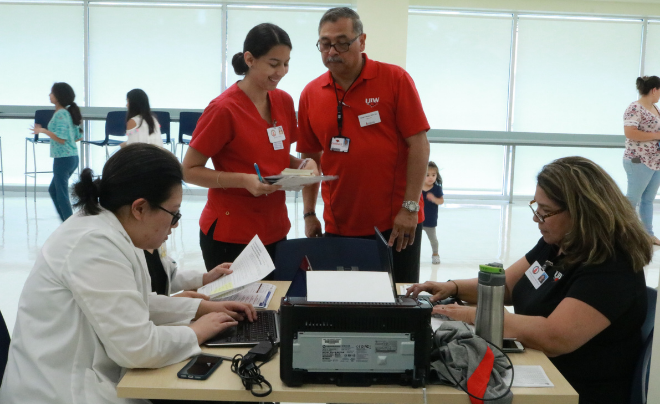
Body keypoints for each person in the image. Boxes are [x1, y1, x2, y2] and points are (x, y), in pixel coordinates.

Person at [0, 144, 256, 404]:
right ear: (140, 208)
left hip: (90, 375)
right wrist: (196, 332)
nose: (174, 225)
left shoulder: (114, 231)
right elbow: (137, 347)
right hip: (60, 390)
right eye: (173, 213)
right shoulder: (93, 243)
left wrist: (200, 309)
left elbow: (135, 302)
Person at [407, 156, 650, 404]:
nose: (537, 219)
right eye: (537, 208)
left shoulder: (611, 265)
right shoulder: (556, 244)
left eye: (545, 212)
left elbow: (555, 337)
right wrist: (452, 287)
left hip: (574, 390)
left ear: (581, 211)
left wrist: (473, 316)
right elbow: (507, 286)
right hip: (541, 368)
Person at [296, 7, 430, 283]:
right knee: (343, 305)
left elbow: (419, 146)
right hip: (338, 225)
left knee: (397, 306)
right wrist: (309, 213)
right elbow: (310, 159)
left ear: (362, 41)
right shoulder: (310, 93)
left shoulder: (394, 80)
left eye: (343, 42)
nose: (332, 50)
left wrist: (409, 208)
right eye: (325, 43)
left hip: (394, 224)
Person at [182, 23, 318, 271]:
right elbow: (189, 170)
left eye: (286, 63)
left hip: (274, 228)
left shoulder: (283, 101)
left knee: (274, 305)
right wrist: (245, 180)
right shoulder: (224, 109)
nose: (281, 71)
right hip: (232, 234)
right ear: (250, 59)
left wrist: (302, 165)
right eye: (274, 64)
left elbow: (273, 155)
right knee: (239, 309)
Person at [30, 82, 83, 221]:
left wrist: (43, 130)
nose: (49, 95)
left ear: (58, 96)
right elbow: (77, 137)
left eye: (52, 93)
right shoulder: (67, 113)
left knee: (61, 193)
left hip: (63, 159)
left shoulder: (61, 114)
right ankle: (66, 222)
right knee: (53, 190)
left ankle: (69, 224)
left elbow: (61, 138)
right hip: (72, 157)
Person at [623, 75, 660, 246]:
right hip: (639, 160)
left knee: (648, 200)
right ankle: (622, 235)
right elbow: (630, 133)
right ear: (654, 90)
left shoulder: (655, 108)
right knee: (632, 199)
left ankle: (648, 235)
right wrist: (657, 135)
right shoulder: (635, 108)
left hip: (655, 161)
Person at [422, 161, 444, 265]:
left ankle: (435, 254)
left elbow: (441, 201)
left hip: (430, 220)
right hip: (417, 219)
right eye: (427, 175)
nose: (431, 177)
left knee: (433, 240)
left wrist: (434, 198)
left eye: (433, 175)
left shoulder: (437, 189)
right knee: (412, 240)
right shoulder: (418, 188)